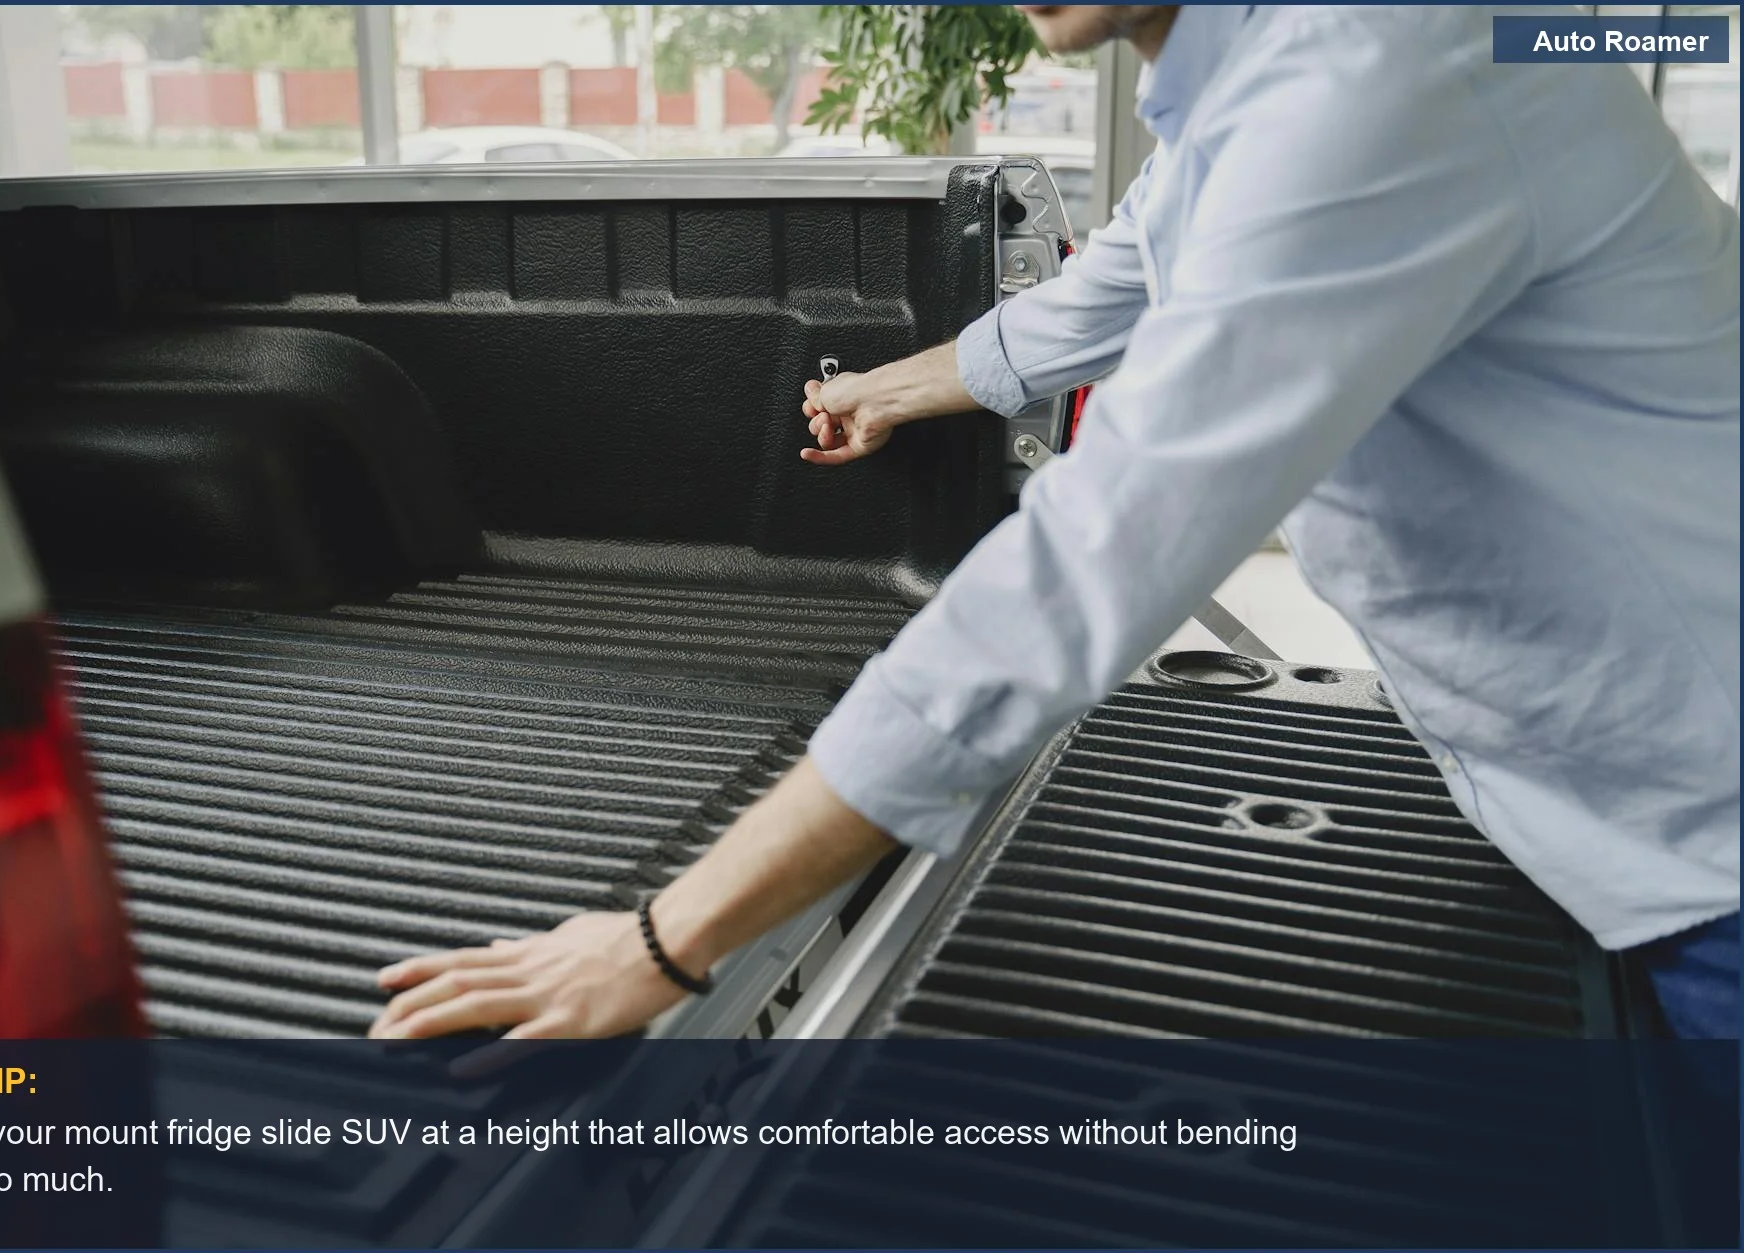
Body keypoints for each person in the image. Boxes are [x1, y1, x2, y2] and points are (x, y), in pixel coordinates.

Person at [369, 4, 1740, 1042]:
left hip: (1707, 842)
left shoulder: (1379, 71)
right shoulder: (1248, 78)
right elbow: (1124, 283)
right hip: (1584, 799)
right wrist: (883, 394)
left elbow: (1105, 549)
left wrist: (669, 945)